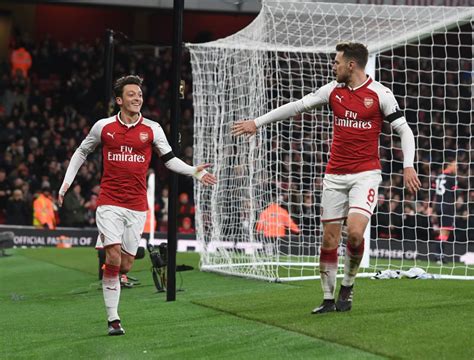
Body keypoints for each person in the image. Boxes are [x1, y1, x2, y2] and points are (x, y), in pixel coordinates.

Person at [232, 42, 421, 314]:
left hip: (365, 175)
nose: (333, 66)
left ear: (351, 65)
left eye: (336, 62)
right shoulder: (332, 91)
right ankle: (329, 299)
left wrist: (408, 165)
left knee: (355, 233)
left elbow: (405, 130)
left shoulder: (380, 94)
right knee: (329, 239)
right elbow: (296, 106)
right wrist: (257, 123)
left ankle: (348, 284)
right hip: (334, 175)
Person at [58, 75, 217, 335]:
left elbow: (169, 159)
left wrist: (193, 171)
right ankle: (113, 319)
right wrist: (66, 183)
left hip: (136, 205)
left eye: (140, 95)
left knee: (126, 265)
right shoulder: (104, 127)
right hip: (109, 201)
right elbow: (81, 152)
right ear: (120, 100)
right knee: (112, 256)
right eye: (132, 94)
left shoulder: (152, 129)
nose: (137, 98)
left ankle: (111, 266)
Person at [432, 160, 457, 264]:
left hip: (438, 206)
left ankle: (440, 255)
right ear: (449, 165)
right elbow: (454, 194)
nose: (457, 168)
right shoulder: (452, 178)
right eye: (455, 165)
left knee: (443, 231)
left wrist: (432, 209)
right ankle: (438, 255)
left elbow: (434, 194)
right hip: (447, 206)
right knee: (445, 232)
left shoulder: (438, 177)